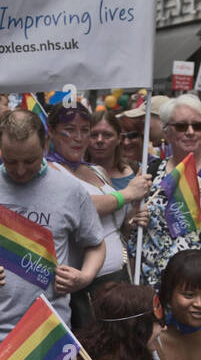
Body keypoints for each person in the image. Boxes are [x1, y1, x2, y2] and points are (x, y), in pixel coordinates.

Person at [0, 109, 105, 339]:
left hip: (49, 332)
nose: (20, 170)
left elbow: (96, 243)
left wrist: (83, 277)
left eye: (30, 160)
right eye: (10, 161)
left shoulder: (71, 190)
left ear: (45, 144)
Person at [129, 93, 201, 295]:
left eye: (198, 126)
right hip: (159, 294)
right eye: (182, 126)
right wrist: (132, 219)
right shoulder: (150, 173)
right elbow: (132, 235)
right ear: (166, 132)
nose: (191, 132)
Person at [47, 102, 151, 324]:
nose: (78, 137)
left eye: (85, 130)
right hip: (87, 286)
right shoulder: (49, 170)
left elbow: (112, 224)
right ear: (52, 132)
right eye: (70, 129)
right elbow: (81, 207)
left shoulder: (97, 170)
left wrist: (131, 219)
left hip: (120, 277)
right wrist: (128, 194)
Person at [86, 110, 138, 192]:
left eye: (107, 135)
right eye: (93, 135)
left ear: (119, 138)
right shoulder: (72, 174)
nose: (100, 140)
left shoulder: (136, 172)